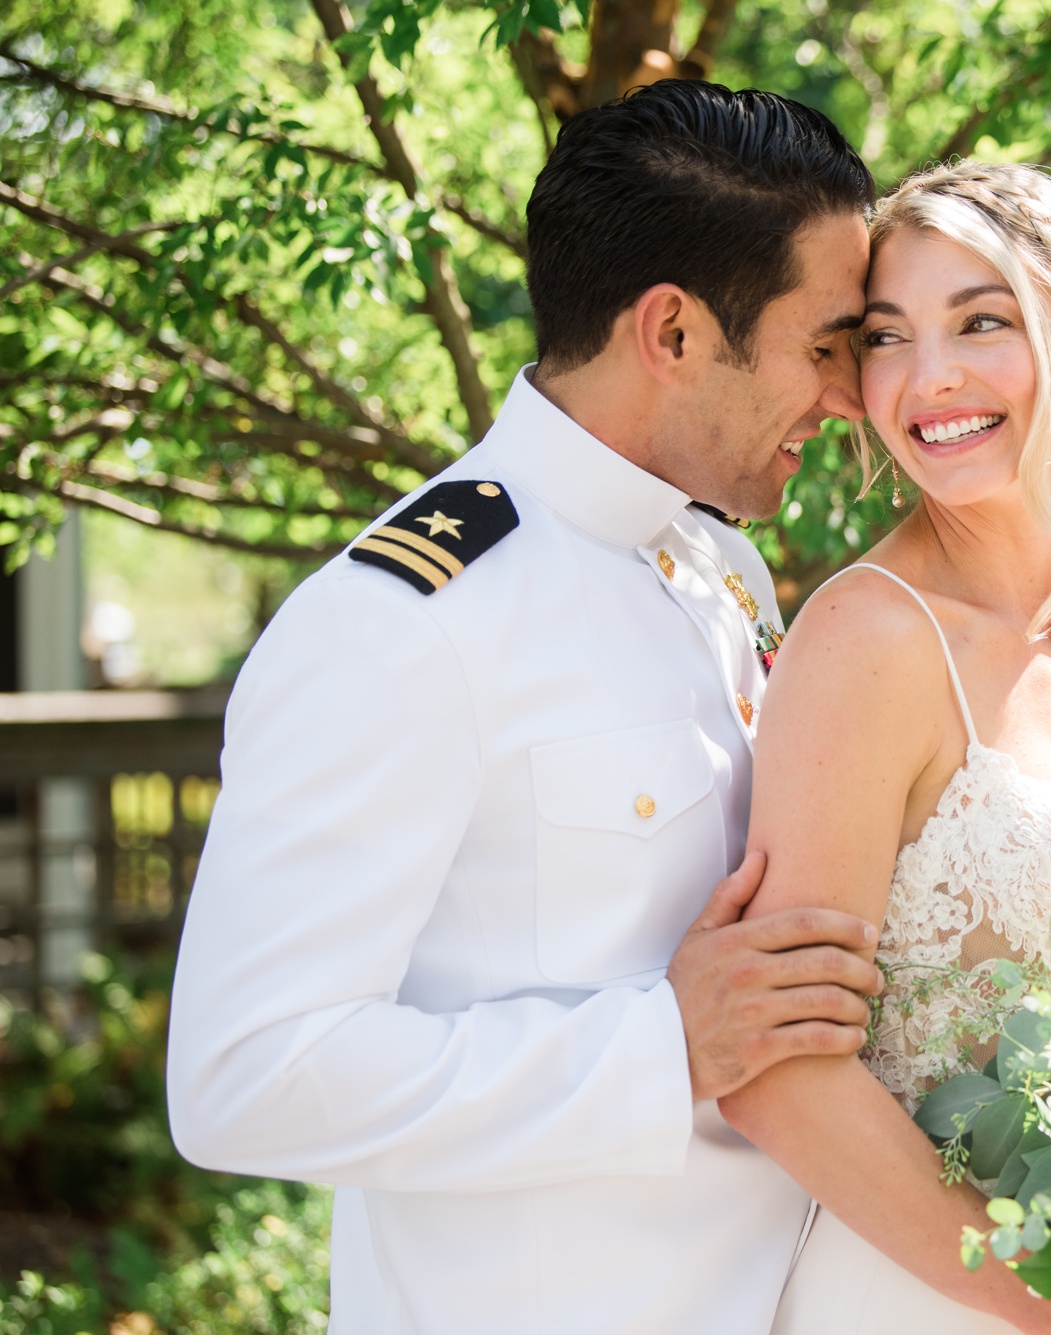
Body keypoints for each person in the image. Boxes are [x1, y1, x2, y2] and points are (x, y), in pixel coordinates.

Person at [165, 82, 889, 1334]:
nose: (848, 396)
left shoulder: (724, 571)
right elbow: (245, 1077)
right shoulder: (403, 622)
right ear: (670, 332)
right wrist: (659, 1046)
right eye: (824, 344)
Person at [720, 162, 1051, 1335]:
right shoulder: (866, 641)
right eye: (886, 338)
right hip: (919, 1296)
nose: (927, 377)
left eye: (981, 321)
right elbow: (778, 1079)